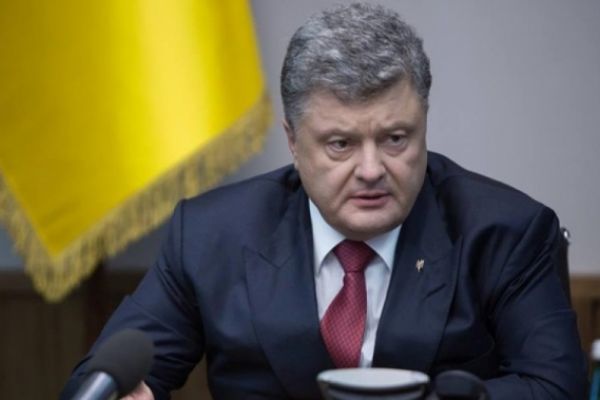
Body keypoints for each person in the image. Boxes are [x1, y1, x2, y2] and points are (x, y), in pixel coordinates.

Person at [61, 3, 587, 399]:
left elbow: (555, 387)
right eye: (340, 144)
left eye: (396, 139)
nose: (371, 169)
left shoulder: (505, 231)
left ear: (423, 124)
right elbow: (98, 380)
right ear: (293, 141)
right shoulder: (210, 234)